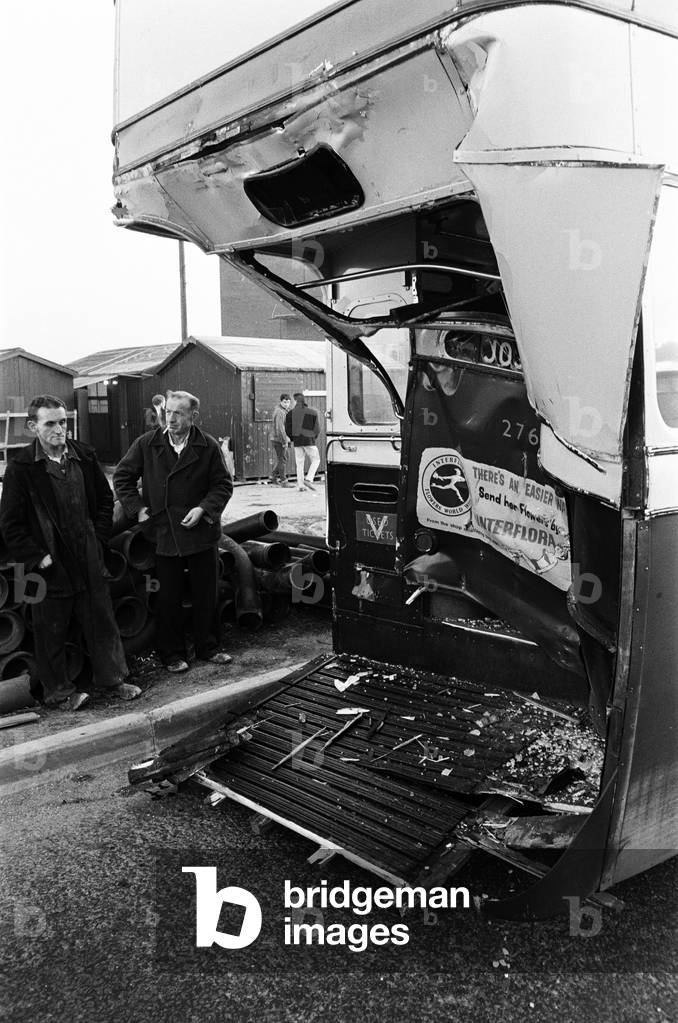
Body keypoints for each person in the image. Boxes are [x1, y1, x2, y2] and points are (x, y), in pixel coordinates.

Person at [0, 395, 141, 711]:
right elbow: (10, 524)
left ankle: (115, 680)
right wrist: (37, 557)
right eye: (50, 423)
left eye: (63, 422)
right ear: (33, 426)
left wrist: (100, 539)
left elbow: (105, 502)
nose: (59, 429)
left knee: (101, 619)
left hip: (88, 554)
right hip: (46, 563)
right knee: (51, 629)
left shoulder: (84, 456)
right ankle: (59, 693)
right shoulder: (22, 468)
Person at [114, 390, 233, 674]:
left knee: (206, 592)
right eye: (169, 412)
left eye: (179, 413)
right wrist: (138, 509)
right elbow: (122, 477)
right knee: (168, 596)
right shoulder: (147, 444)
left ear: (194, 416)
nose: (172, 418)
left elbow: (223, 485)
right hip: (164, 532)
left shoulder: (208, 446)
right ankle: (171, 654)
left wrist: (204, 509)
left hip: (201, 531)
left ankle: (208, 647)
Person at [285, 392, 321, 491]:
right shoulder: (313, 412)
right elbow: (317, 429)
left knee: (299, 463)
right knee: (316, 460)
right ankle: (309, 479)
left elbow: (288, 429)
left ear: (295, 401)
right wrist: (313, 438)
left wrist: (293, 438)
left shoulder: (290, 414)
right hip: (309, 440)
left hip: (297, 441)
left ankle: (301, 485)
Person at [270, 393, 293, 486]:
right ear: (281, 402)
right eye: (284, 402)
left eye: (288, 402)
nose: (286, 404)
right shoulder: (280, 412)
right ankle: (284, 481)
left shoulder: (284, 411)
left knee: (284, 457)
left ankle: (273, 476)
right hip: (279, 439)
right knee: (282, 459)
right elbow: (280, 428)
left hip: (280, 438)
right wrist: (284, 441)